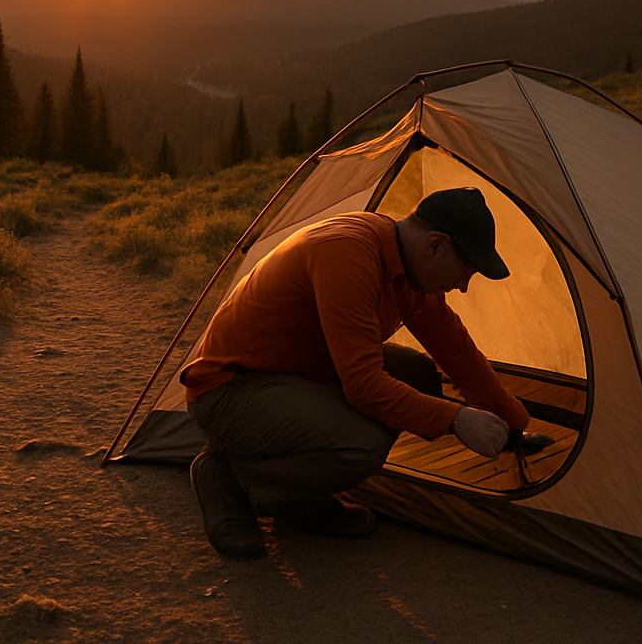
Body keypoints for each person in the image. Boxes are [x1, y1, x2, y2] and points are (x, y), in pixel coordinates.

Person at [181, 187, 533, 558]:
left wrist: (514, 425)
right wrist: (457, 419)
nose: (463, 286)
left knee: (416, 374)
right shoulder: (347, 252)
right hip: (230, 389)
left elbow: (456, 350)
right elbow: (363, 386)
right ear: (434, 245)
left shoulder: (404, 265)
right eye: (466, 271)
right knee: (360, 444)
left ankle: (299, 495)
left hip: (297, 373)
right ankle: (229, 479)